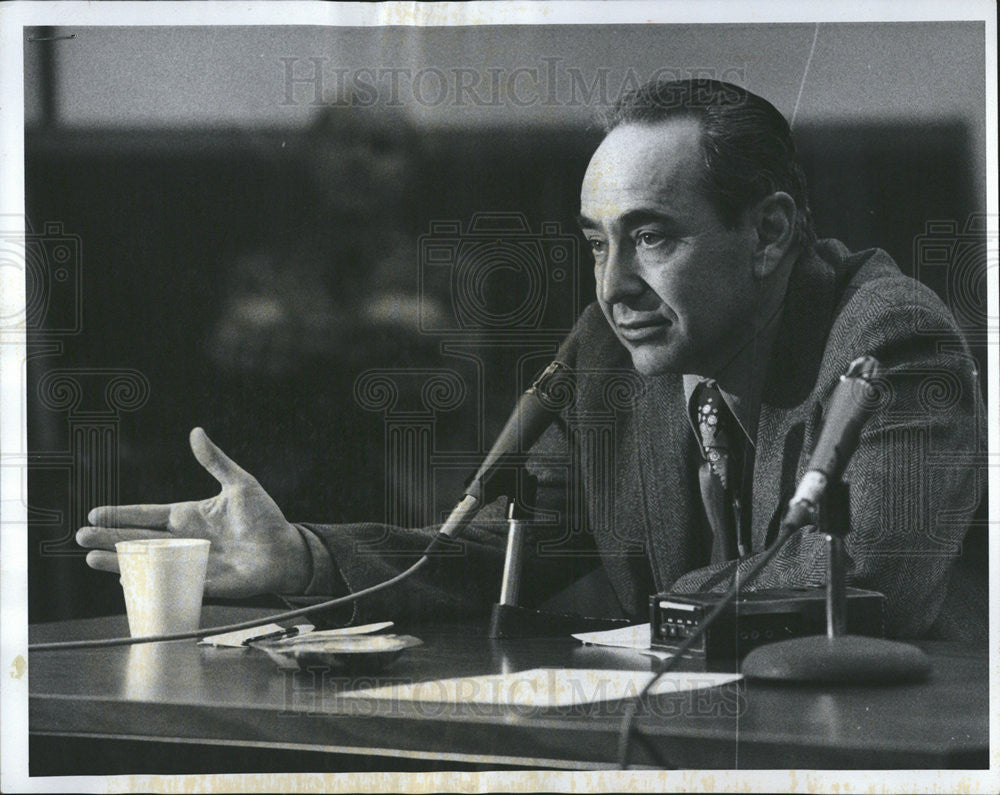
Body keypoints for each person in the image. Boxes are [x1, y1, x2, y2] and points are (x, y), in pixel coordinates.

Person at [77, 79, 986, 640]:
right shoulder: (613, 352)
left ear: (771, 232)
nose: (612, 287)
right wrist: (305, 558)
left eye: (651, 237)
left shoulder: (889, 337)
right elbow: (492, 551)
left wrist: (651, 611)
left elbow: (873, 583)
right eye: (596, 244)